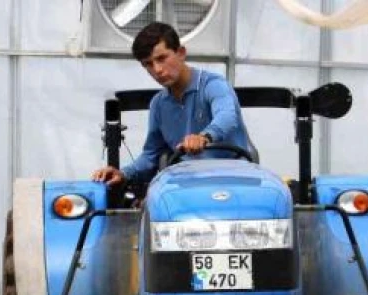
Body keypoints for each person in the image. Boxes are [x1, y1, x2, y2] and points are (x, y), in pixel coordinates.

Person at [92, 22, 252, 187]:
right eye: (148, 64)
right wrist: (123, 173)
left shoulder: (214, 85)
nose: (157, 70)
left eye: (161, 58)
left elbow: (226, 116)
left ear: (181, 53)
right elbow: (150, 156)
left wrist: (204, 137)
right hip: (187, 184)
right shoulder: (159, 105)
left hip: (233, 178)